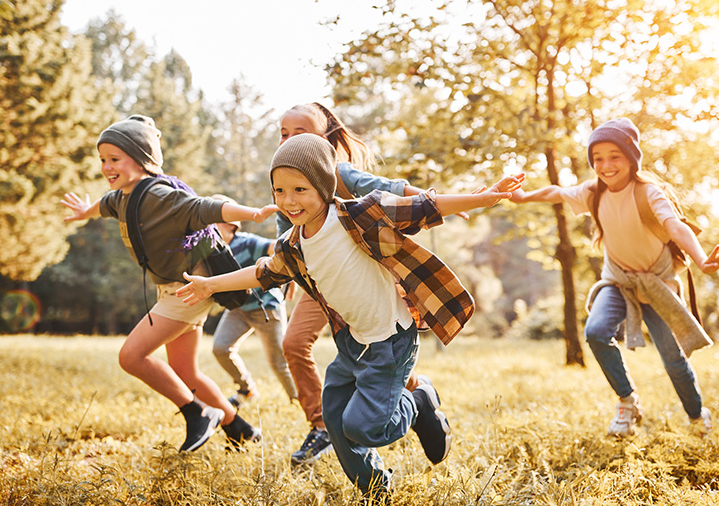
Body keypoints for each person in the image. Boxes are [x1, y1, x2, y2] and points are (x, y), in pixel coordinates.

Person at [177, 133, 525, 503]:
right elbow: (263, 272)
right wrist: (210, 285)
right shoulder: (293, 246)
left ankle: (419, 401)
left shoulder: (360, 214)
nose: (289, 201)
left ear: (324, 186)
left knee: (365, 427)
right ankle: (376, 488)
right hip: (351, 342)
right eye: (279, 190)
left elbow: (423, 206)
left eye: (300, 189)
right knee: (336, 421)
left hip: (391, 341)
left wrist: (486, 197)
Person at [60, 114, 278, 452]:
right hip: (174, 288)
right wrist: (84, 211)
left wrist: (252, 214)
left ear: (142, 159)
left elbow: (204, 207)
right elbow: (102, 207)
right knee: (184, 371)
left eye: (115, 159)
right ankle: (240, 429)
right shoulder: (121, 197)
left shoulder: (160, 194)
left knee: (131, 357)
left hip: (189, 287)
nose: (106, 167)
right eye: (103, 159)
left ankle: (197, 414)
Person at [509, 117, 719, 437]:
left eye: (614, 156)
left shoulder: (648, 193)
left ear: (631, 158)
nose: (605, 165)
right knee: (597, 331)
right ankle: (628, 401)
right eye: (597, 158)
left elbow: (675, 226)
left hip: (657, 283)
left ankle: (697, 415)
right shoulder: (593, 193)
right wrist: (523, 197)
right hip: (618, 280)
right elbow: (556, 192)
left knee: (672, 357)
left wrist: (701, 259)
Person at [275, 102, 453, 466]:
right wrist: (286, 276)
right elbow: (285, 235)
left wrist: (433, 200)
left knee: (379, 348)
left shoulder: (340, 173)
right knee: (294, 343)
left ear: (325, 137)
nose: (290, 139)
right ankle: (323, 426)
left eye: (301, 132)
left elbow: (387, 189)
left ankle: (416, 398)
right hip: (319, 281)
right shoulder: (285, 179)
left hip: (362, 273)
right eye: (284, 133)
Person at [208, 195, 298, 407]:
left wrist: (290, 270)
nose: (208, 227)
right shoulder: (213, 251)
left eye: (214, 222)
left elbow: (275, 247)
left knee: (278, 363)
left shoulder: (247, 242)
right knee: (221, 348)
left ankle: (299, 400)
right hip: (238, 310)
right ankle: (247, 390)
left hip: (266, 309)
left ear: (230, 225)